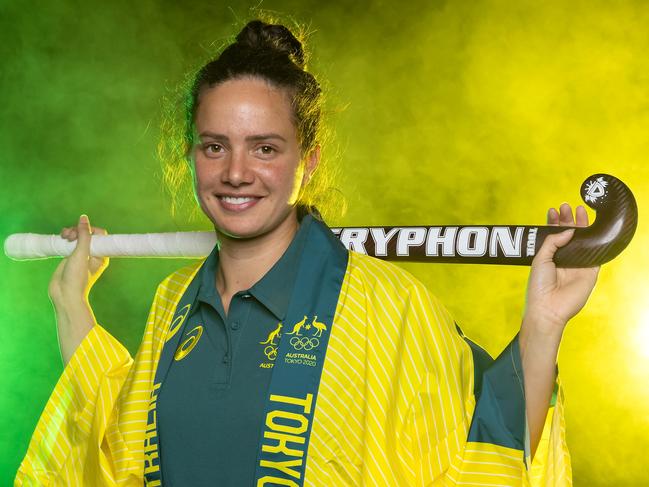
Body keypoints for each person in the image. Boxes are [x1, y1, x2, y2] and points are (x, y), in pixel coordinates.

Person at [15, 18, 598, 487]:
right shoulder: (172, 304)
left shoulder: (386, 304)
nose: (236, 173)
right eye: (215, 146)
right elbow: (117, 446)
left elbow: (483, 443)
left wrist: (543, 325)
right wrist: (72, 304)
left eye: (264, 148)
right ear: (190, 156)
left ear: (308, 161)